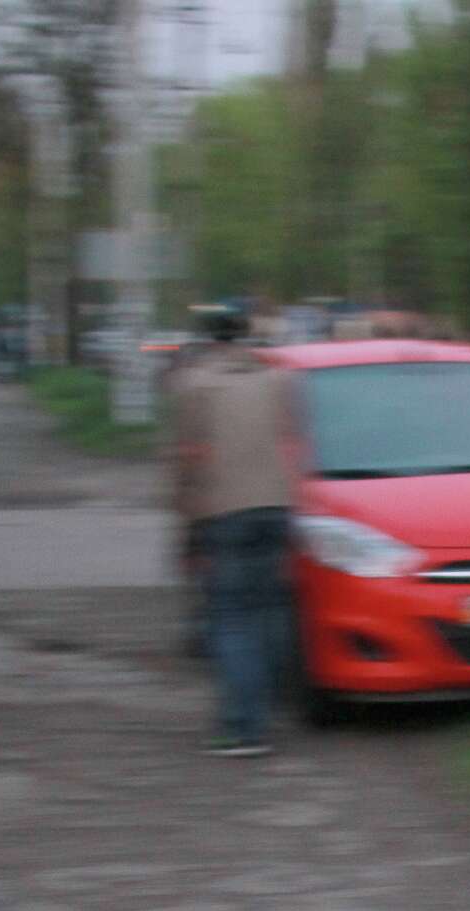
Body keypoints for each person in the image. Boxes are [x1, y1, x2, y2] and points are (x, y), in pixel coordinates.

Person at [171, 305, 293, 757]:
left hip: (225, 512)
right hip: (277, 508)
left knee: (232, 619)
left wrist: (187, 525)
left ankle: (242, 729)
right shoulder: (277, 380)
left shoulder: (195, 384)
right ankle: (268, 706)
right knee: (270, 611)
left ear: (207, 338)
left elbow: (186, 459)